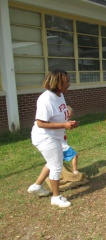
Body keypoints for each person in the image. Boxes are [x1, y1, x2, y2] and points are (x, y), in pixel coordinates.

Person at [27, 69, 78, 208]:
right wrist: (63, 124)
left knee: (53, 161)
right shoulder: (45, 99)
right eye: (66, 81)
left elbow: (60, 112)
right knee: (56, 165)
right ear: (58, 82)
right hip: (45, 137)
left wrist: (68, 121)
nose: (69, 84)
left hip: (54, 136)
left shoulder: (59, 94)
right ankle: (56, 197)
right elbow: (40, 122)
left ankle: (36, 186)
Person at [62, 106, 79, 174]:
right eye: (69, 116)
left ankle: (61, 174)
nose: (69, 118)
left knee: (59, 161)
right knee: (75, 155)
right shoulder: (60, 121)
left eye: (70, 117)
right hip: (61, 144)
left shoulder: (62, 121)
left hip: (61, 143)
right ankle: (75, 172)